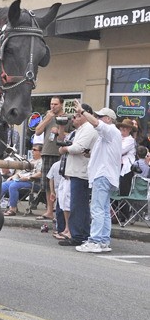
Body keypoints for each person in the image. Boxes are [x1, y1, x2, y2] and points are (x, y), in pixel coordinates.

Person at [75, 103, 122, 253]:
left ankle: (95, 241)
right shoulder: (110, 134)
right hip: (106, 175)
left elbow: (95, 124)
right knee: (104, 209)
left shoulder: (110, 131)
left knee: (97, 209)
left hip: (102, 175)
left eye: (101, 116)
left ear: (108, 119)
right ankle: (103, 241)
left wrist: (82, 111)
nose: (98, 118)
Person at [57, 104, 98, 247]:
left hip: (81, 172)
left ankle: (78, 235)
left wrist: (64, 149)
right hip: (75, 171)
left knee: (78, 206)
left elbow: (78, 148)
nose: (73, 118)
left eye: (76, 115)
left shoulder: (89, 129)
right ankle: (82, 234)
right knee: (80, 205)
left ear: (83, 115)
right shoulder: (80, 130)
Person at [34, 96, 73, 220]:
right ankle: (49, 211)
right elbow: (37, 131)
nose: (52, 106)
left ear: (61, 104)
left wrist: (60, 132)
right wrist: (47, 119)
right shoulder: (48, 116)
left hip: (60, 153)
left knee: (60, 183)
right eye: (51, 104)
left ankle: (60, 211)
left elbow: (73, 135)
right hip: (46, 151)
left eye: (55, 104)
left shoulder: (68, 118)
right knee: (47, 184)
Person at [2, 145, 42, 216]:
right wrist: (13, 176)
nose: (32, 151)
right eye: (32, 149)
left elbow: (40, 174)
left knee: (13, 186)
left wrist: (28, 178)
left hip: (33, 182)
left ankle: (13, 209)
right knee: (3, 185)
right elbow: (21, 172)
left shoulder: (41, 161)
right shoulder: (30, 161)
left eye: (35, 150)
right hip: (22, 180)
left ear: (40, 152)